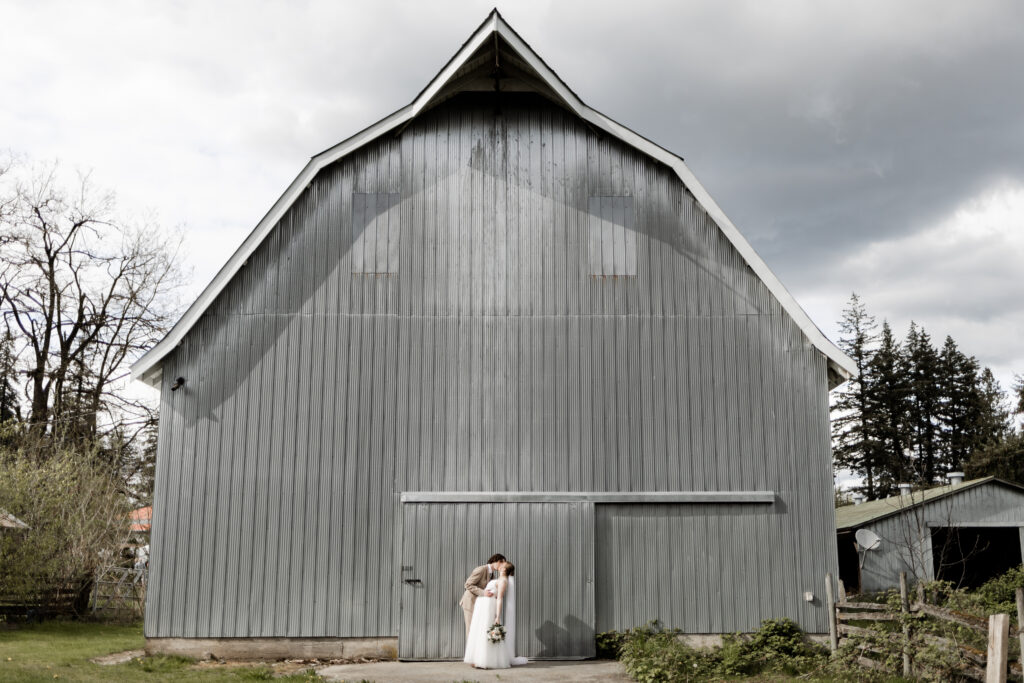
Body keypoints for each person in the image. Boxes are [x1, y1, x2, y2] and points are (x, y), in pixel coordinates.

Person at [463, 561, 528, 668]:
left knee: (486, 631)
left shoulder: (503, 581)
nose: (500, 565)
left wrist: (497, 616)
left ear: (504, 569)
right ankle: (478, 658)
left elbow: (499, 599)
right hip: (482, 606)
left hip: (488, 607)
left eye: (502, 564)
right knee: (480, 632)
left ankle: (486, 660)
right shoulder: (498, 579)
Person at [459, 553, 506, 637]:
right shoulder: (481, 569)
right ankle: (470, 650)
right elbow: (467, 584)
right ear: (496, 561)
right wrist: (483, 593)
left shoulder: (492, 575)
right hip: (470, 602)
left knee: (478, 629)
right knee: (471, 629)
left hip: (478, 604)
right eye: (501, 563)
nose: (502, 566)